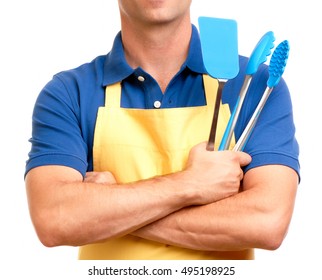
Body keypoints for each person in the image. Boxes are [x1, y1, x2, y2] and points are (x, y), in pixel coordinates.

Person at [24, 0, 300, 260]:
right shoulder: (69, 93)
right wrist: (191, 184)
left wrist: (112, 210)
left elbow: (267, 222)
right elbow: (54, 219)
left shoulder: (254, 86)